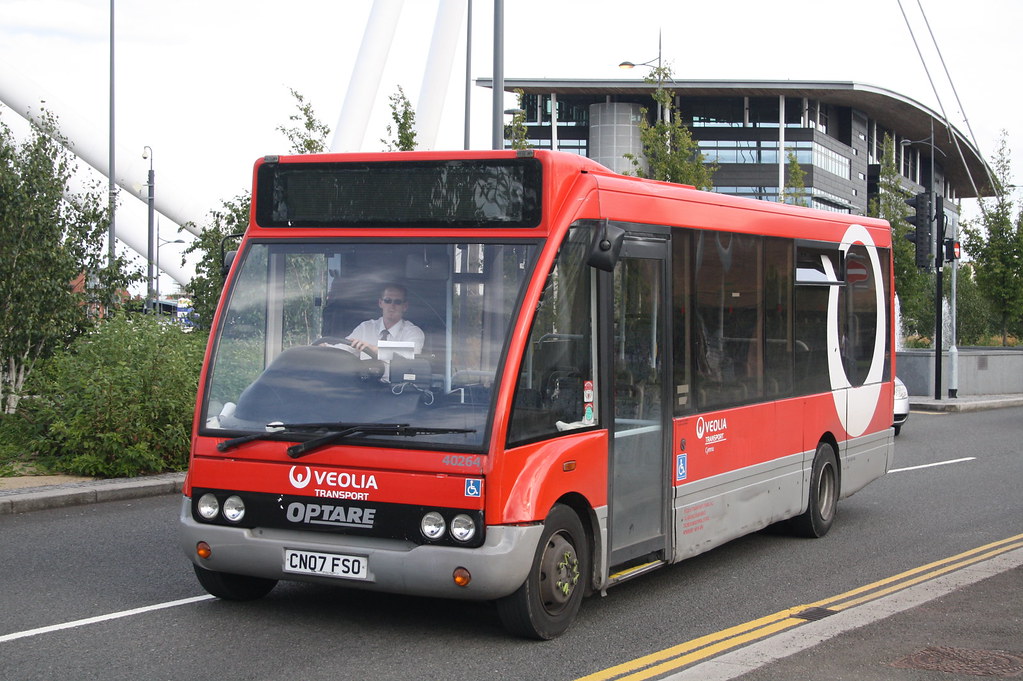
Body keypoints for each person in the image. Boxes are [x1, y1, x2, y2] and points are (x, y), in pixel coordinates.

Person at [345, 284, 425, 360]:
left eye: (397, 302)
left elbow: (411, 352)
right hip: (364, 374)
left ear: (405, 306)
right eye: (387, 301)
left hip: (398, 375)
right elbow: (345, 349)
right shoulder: (365, 328)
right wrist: (333, 349)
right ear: (380, 303)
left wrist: (372, 349)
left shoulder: (413, 332)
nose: (392, 306)